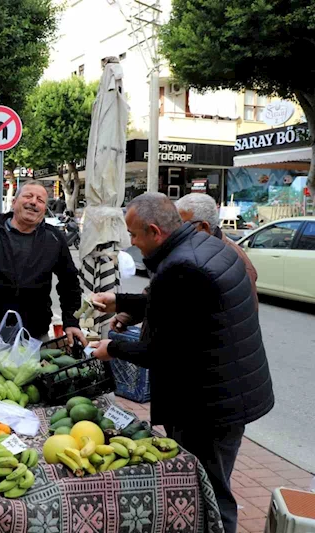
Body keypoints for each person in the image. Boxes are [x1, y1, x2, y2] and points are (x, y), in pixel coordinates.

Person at [90, 192, 274, 533]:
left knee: (211, 490)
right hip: (227, 392)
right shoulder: (207, 246)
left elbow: (162, 352)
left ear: (155, 231)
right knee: (210, 482)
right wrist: (119, 301)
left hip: (210, 404)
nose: (131, 242)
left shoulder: (181, 265)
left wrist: (111, 348)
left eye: (133, 234)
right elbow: (177, 305)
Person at [0, 180, 86, 359]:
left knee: (34, 385)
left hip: (35, 337)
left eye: (40, 200)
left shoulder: (54, 239)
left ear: (44, 210)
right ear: (14, 202)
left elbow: (70, 284)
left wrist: (71, 321)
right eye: (28, 196)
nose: (34, 202)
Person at [175, 193, 258, 302]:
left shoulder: (235, 260)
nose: (177, 231)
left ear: (204, 227)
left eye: (182, 225)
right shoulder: (193, 249)